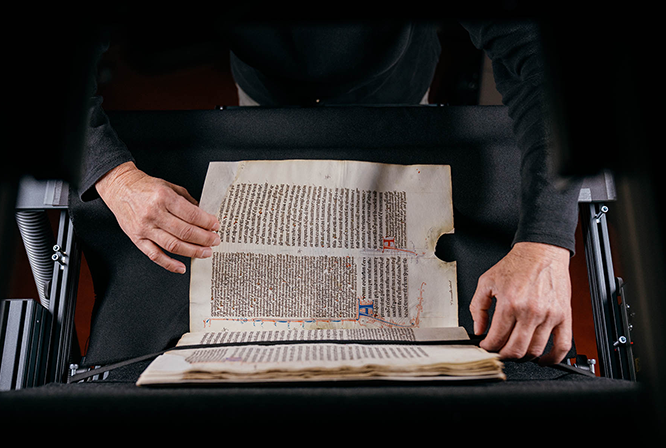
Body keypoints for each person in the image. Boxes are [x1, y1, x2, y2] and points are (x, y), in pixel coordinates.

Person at [82, 18, 580, 367]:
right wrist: (113, 175)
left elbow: (540, 55)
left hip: (393, 86)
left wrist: (545, 240)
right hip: (266, 90)